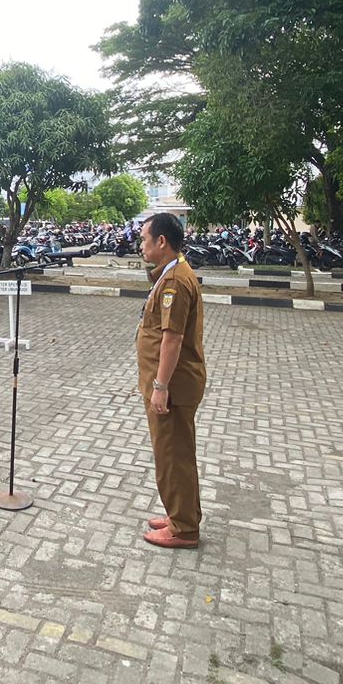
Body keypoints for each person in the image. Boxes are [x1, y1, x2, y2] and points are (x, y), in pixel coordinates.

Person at [134, 212, 208, 549]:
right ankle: (181, 514)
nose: (141, 245)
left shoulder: (175, 281)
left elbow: (172, 338)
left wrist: (160, 387)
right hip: (171, 384)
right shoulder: (169, 274)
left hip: (173, 387)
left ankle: (184, 529)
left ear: (161, 241)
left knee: (172, 455)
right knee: (175, 453)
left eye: (145, 239)